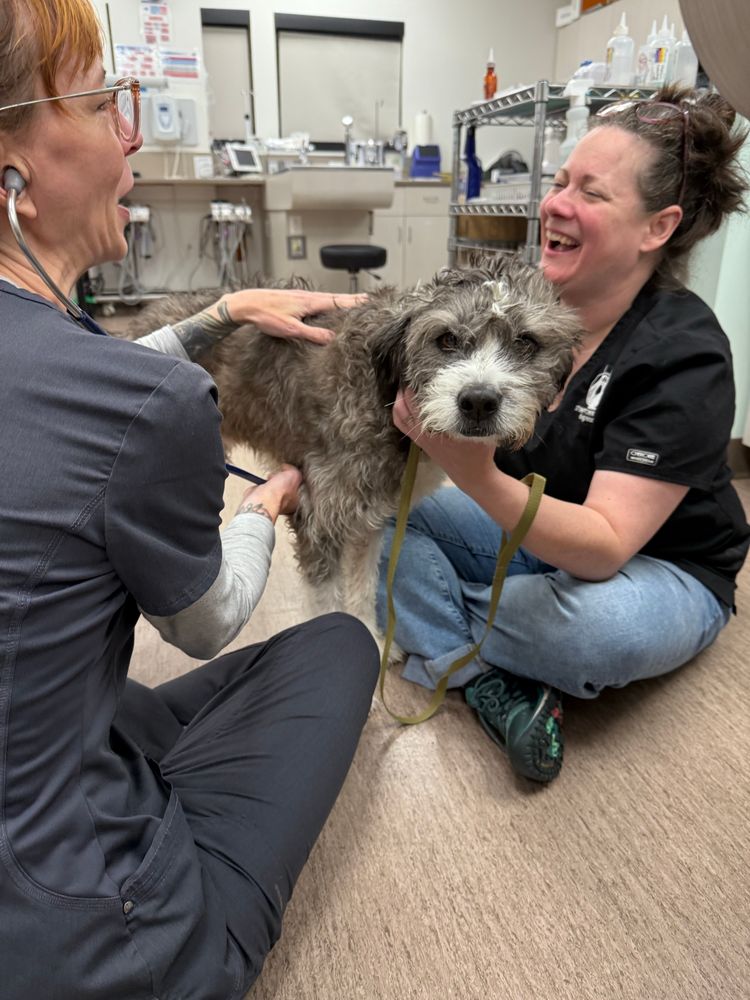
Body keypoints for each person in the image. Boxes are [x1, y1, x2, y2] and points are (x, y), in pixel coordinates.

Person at [0, 2, 379, 998]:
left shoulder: (98, 378)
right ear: (11, 173)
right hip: (95, 950)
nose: (130, 134)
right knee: (341, 648)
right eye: (100, 104)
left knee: (108, 695)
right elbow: (207, 625)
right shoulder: (150, 404)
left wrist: (221, 312)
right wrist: (259, 513)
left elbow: (74, 391)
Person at [377, 83, 750, 784]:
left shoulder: (684, 354)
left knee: (589, 633)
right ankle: (486, 673)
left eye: (591, 192)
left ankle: (450, 638)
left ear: (658, 227)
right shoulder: (530, 307)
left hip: (661, 567)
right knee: (386, 520)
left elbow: (605, 546)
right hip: (541, 528)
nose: (555, 204)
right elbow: (413, 317)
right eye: (559, 182)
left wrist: (474, 476)